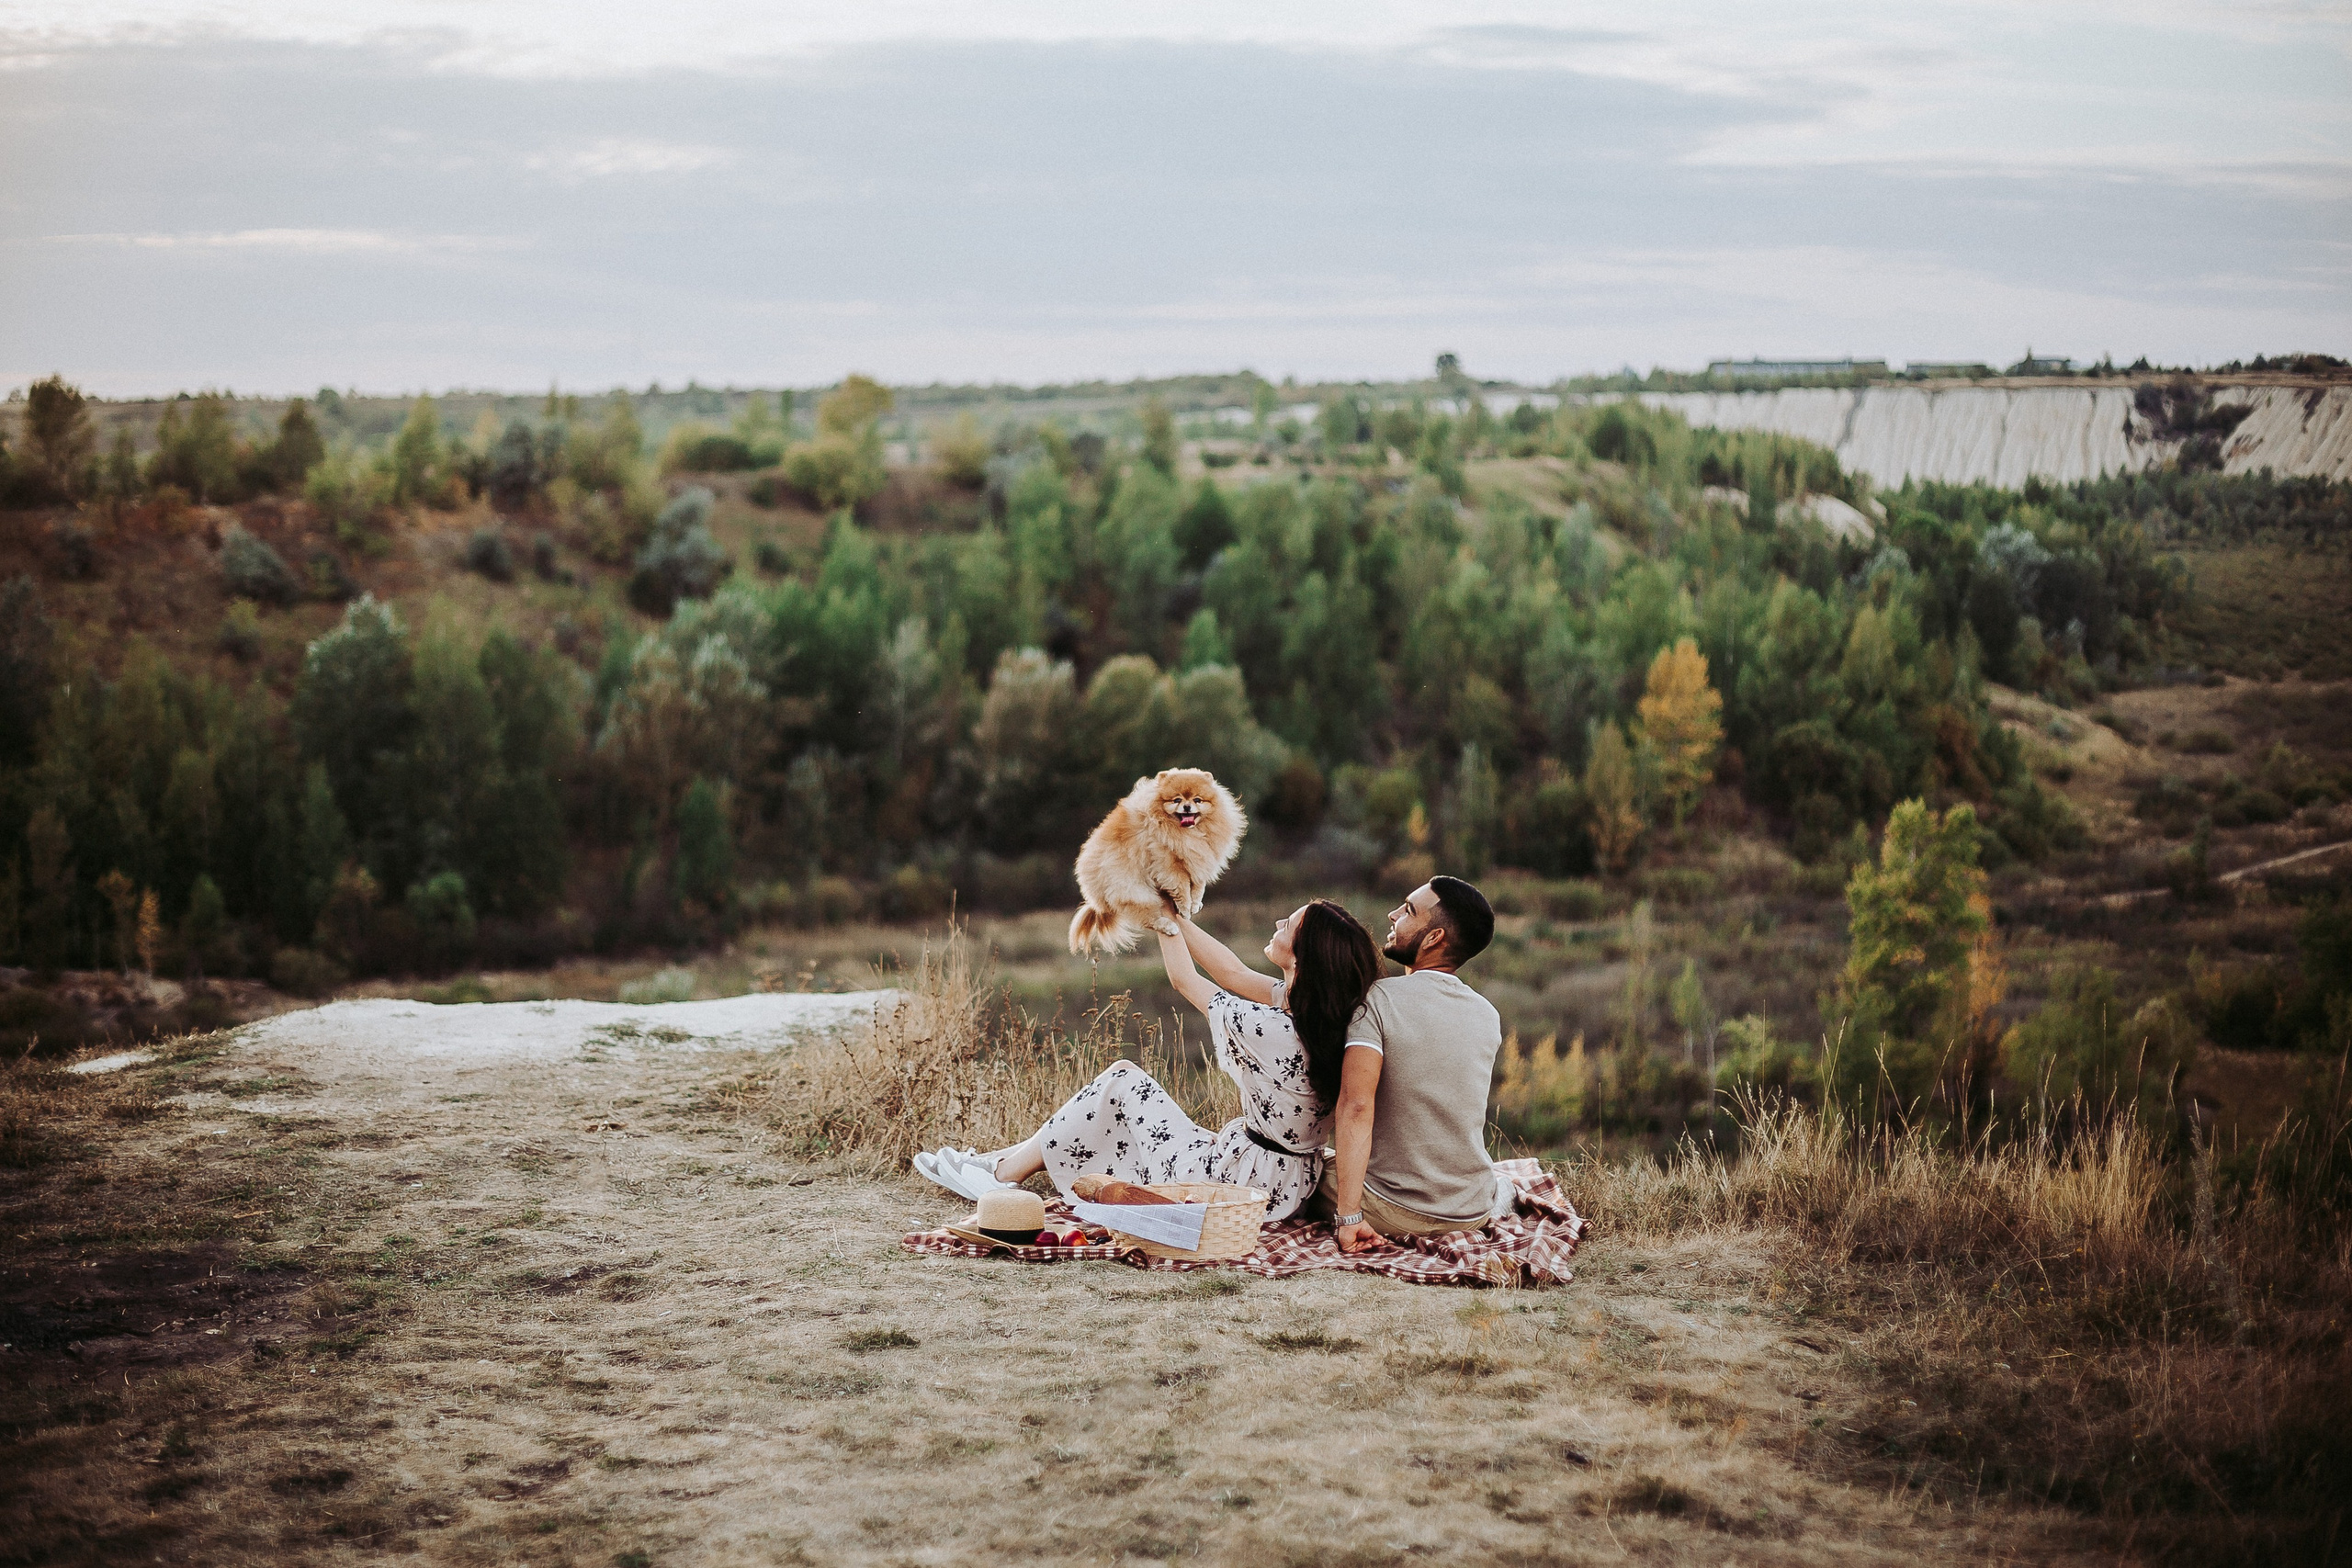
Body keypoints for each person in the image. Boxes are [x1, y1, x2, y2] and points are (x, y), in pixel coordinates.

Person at [916, 899, 1381, 1223]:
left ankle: (1000, 1177)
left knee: (1122, 1078)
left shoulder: (1271, 1028)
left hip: (1239, 1181)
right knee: (1127, 1102)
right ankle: (1000, 1163)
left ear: (1303, 956)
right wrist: (1174, 914)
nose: (1278, 922)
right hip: (1286, 1180)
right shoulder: (1320, 1014)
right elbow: (1232, 971)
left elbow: (1184, 980)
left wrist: (1161, 920)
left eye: (1289, 925)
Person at [1316, 877, 1501, 1253]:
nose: (1393, 914)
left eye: (1408, 911)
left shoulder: (1378, 999)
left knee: (1295, 1168)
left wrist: (1350, 1218)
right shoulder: (1487, 1013)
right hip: (1472, 1208)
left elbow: (1356, 1106)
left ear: (1433, 939)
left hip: (1397, 1209)